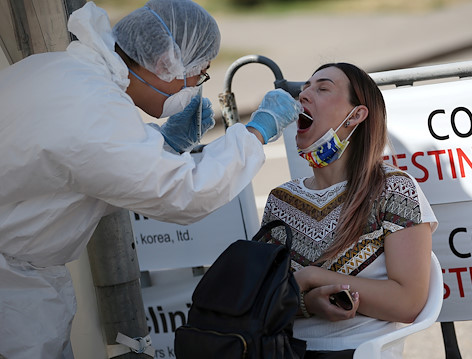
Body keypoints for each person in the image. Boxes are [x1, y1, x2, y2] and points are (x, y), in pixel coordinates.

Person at [0, 1, 300, 358]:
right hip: (12, 289)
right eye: (199, 74)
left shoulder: (60, 71)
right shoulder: (94, 110)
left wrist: (166, 146)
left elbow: (91, 175)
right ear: (165, 64)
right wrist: (255, 132)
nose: (195, 86)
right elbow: (185, 194)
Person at [260, 62, 438, 359]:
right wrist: (307, 303)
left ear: (355, 115)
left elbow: (409, 303)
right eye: (305, 89)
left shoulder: (394, 188)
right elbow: (262, 301)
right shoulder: (281, 199)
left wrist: (313, 277)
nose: (303, 95)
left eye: (322, 88)